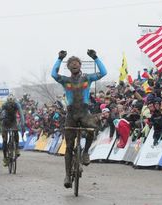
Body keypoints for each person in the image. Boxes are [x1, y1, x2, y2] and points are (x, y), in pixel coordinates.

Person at [51, 49, 107, 188]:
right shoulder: (65, 80)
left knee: (91, 129)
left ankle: (86, 152)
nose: (74, 65)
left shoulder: (87, 78)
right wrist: (59, 59)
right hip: (71, 114)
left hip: (84, 112)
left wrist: (95, 57)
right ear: (68, 67)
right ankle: (67, 176)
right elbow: (53, 74)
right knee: (69, 147)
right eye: (71, 64)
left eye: (76, 63)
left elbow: (104, 72)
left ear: (80, 65)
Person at [0, 94, 25, 167]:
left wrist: (23, 124)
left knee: (15, 131)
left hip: (13, 121)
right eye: (9, 102)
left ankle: (17, 148)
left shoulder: (17, 104)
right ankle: (5, 157)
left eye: (11, 102)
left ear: (14, 101)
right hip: (5, 121)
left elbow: (21, 114)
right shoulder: (4, 104)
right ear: (7, 101)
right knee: (5, 140)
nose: (10, 104)